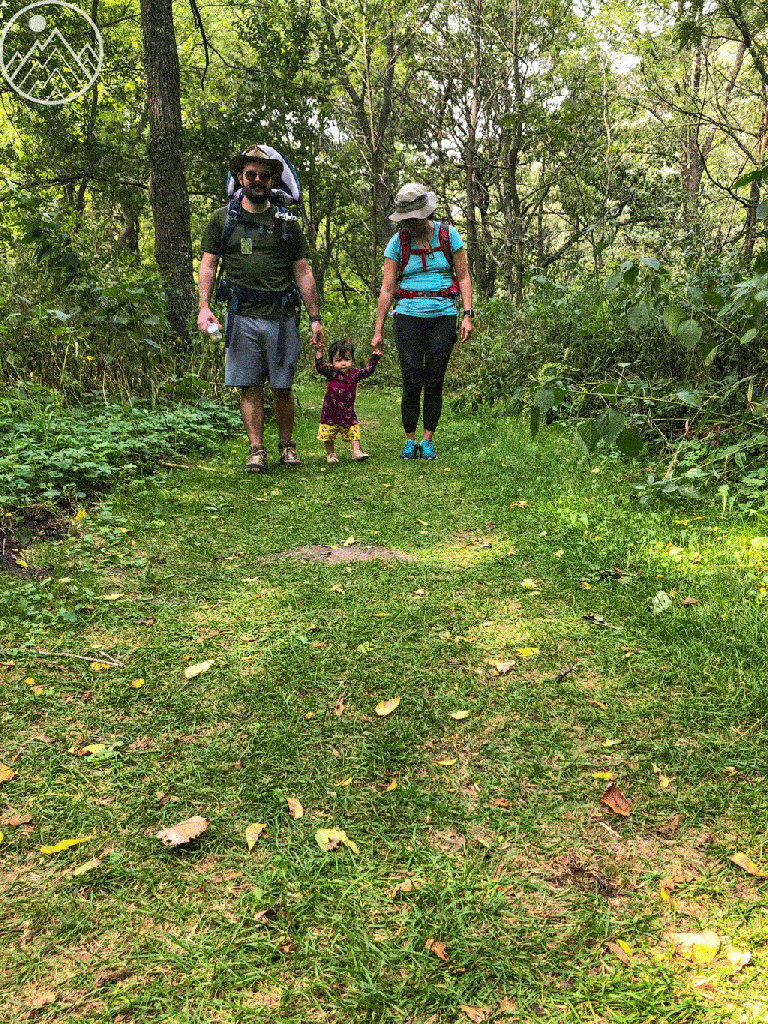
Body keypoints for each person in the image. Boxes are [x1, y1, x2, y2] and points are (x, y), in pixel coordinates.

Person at [198, 145, 325, 472]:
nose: (257, 180)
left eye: (263, 176)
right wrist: (204, 307)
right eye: (250, 174)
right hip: (240, 316)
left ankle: (287, 446)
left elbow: (303, 271)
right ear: (240, 178)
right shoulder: (223, 219)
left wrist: (315, 318)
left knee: (282, 386)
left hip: (281, 318)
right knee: (249, 385)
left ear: (272, 180)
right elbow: (209, 265)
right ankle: (257, 450)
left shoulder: (287, 223)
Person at [372, 182, 474, 460]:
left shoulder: (449, 235)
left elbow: (464, 277)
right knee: (411, 378)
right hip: (408, 317)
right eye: (405, 221)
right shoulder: (397, 243)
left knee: (435, 379)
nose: (409, 225)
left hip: (443, 316)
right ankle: (410, 440)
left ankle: (427, 439)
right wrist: (378, 330)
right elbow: (387, 289)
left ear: (426, 214)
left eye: (413, 220)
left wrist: (467, 314)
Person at [314, 338, 382, 463]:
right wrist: (319, 352)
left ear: (352, 360)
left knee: (353, 430)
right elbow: (319, 366)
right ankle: (331, 454)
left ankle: (356, 452)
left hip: (347, 411)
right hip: (330, 411)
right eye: (338, 360)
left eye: (347, 359)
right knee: (328, 432)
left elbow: (368, 371)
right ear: (332, 361)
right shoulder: (331, 372)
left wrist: (375, 358)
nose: (343, 363)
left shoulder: (354, 374)